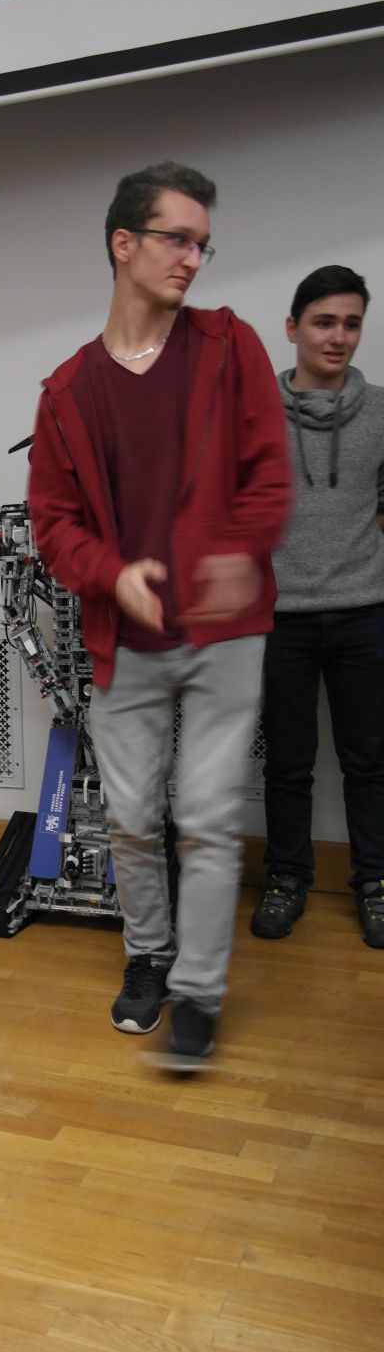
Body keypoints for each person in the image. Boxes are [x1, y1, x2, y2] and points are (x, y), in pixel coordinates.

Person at [27, 161, 290, 1068]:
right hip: (126, 640)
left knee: (209, 816)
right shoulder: (68, 392)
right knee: (135, 818)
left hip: (225, 632)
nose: (193, 258)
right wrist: (112, 575)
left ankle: (199, 992)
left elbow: (270, 473)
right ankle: (148, 956)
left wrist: (235, 553)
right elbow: (54, 526)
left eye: (203, 244)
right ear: (123, 243)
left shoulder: (229, 346)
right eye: (177, 238)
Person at [251, 266, 384, 949]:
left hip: (366, 613)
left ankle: (376, 882)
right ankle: (286, 878)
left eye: (351, 323)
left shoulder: (383, 413)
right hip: (280, 618)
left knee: (370, 761)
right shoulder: (252, 415)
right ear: (293, 327)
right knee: (288, 763)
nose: (339, 336)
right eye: (324, 322)